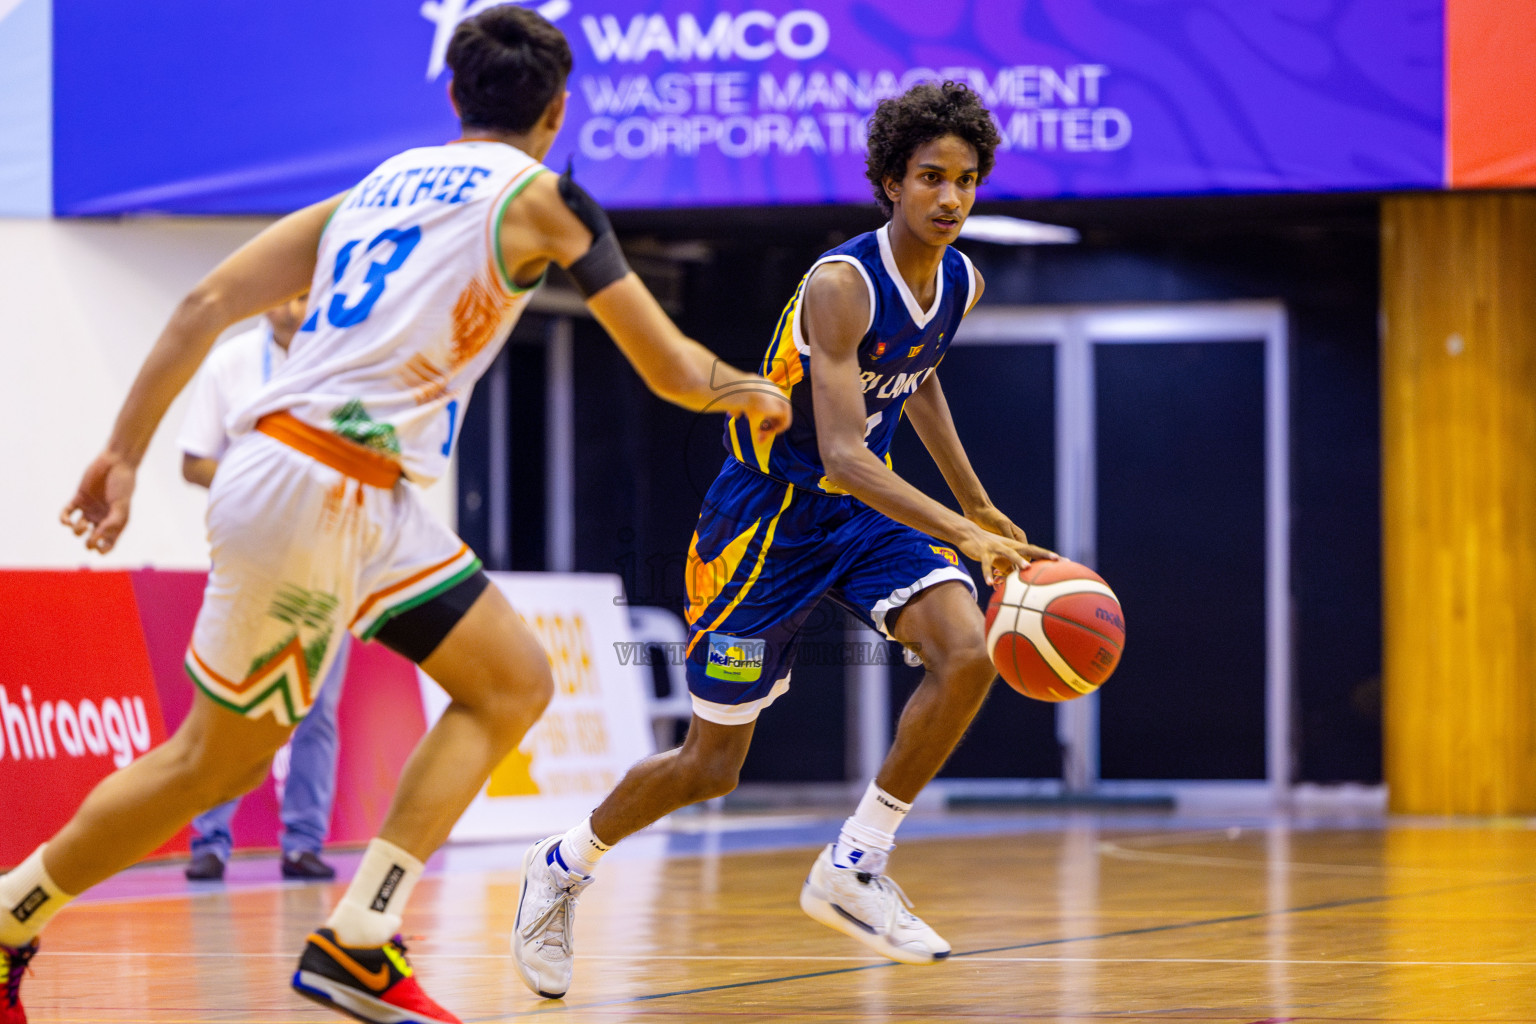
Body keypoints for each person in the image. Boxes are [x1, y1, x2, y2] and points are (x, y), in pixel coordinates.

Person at [2, 8, 789, 1024]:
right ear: (556, 113)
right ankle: (16, 911)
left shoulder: (372, 188)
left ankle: (361, 933)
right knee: (216, 758)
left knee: (508, 681)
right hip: (324, 482)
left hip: (337, 485)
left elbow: (203, 301)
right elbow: (678, 372)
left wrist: (121, 454)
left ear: (454, 100)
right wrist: (767, 392)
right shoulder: (550, 199)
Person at [511, 81, 1055, 1000]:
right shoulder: (841, 286)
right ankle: (564, 861)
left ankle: (856, 861)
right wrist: (963, 530)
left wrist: (981, 506)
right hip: (762, 523)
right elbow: (843, 454)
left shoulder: (959, 278)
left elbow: (915, 380)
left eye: (966, 180)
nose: (950, 199)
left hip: (862, 514)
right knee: (709, 766)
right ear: (890, 182)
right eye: (930, 177)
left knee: (968, 653)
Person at [177, 294, 347, 883]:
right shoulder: (231, 361)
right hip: (250, 560)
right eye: (281, 291)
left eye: (304, 293)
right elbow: (193, 460)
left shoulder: (340, 359)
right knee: (229, 703)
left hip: (325, 560)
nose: (290, 303)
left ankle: (303, 842)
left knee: (317, 710)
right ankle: (210, 841)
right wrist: (261, 482)